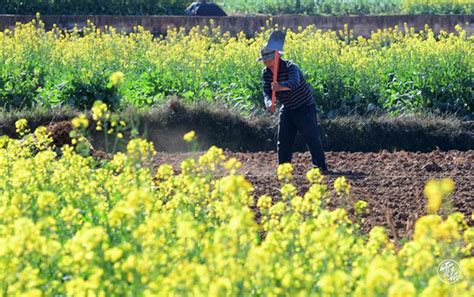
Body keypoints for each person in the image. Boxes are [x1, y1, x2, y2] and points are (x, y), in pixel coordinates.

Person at [258, 46, 328, 171]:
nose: (267, 63)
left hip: (304, 105)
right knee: (283, 139)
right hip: (287, 107)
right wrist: (269, 103)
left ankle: (320, 166)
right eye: (265, 61)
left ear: (277, 57)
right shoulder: (266, 73)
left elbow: (294, 83)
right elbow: (266, 92)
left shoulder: (291, 67)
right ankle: (283, 168)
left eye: (269, 60)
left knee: (311, 136)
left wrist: (279, 86)